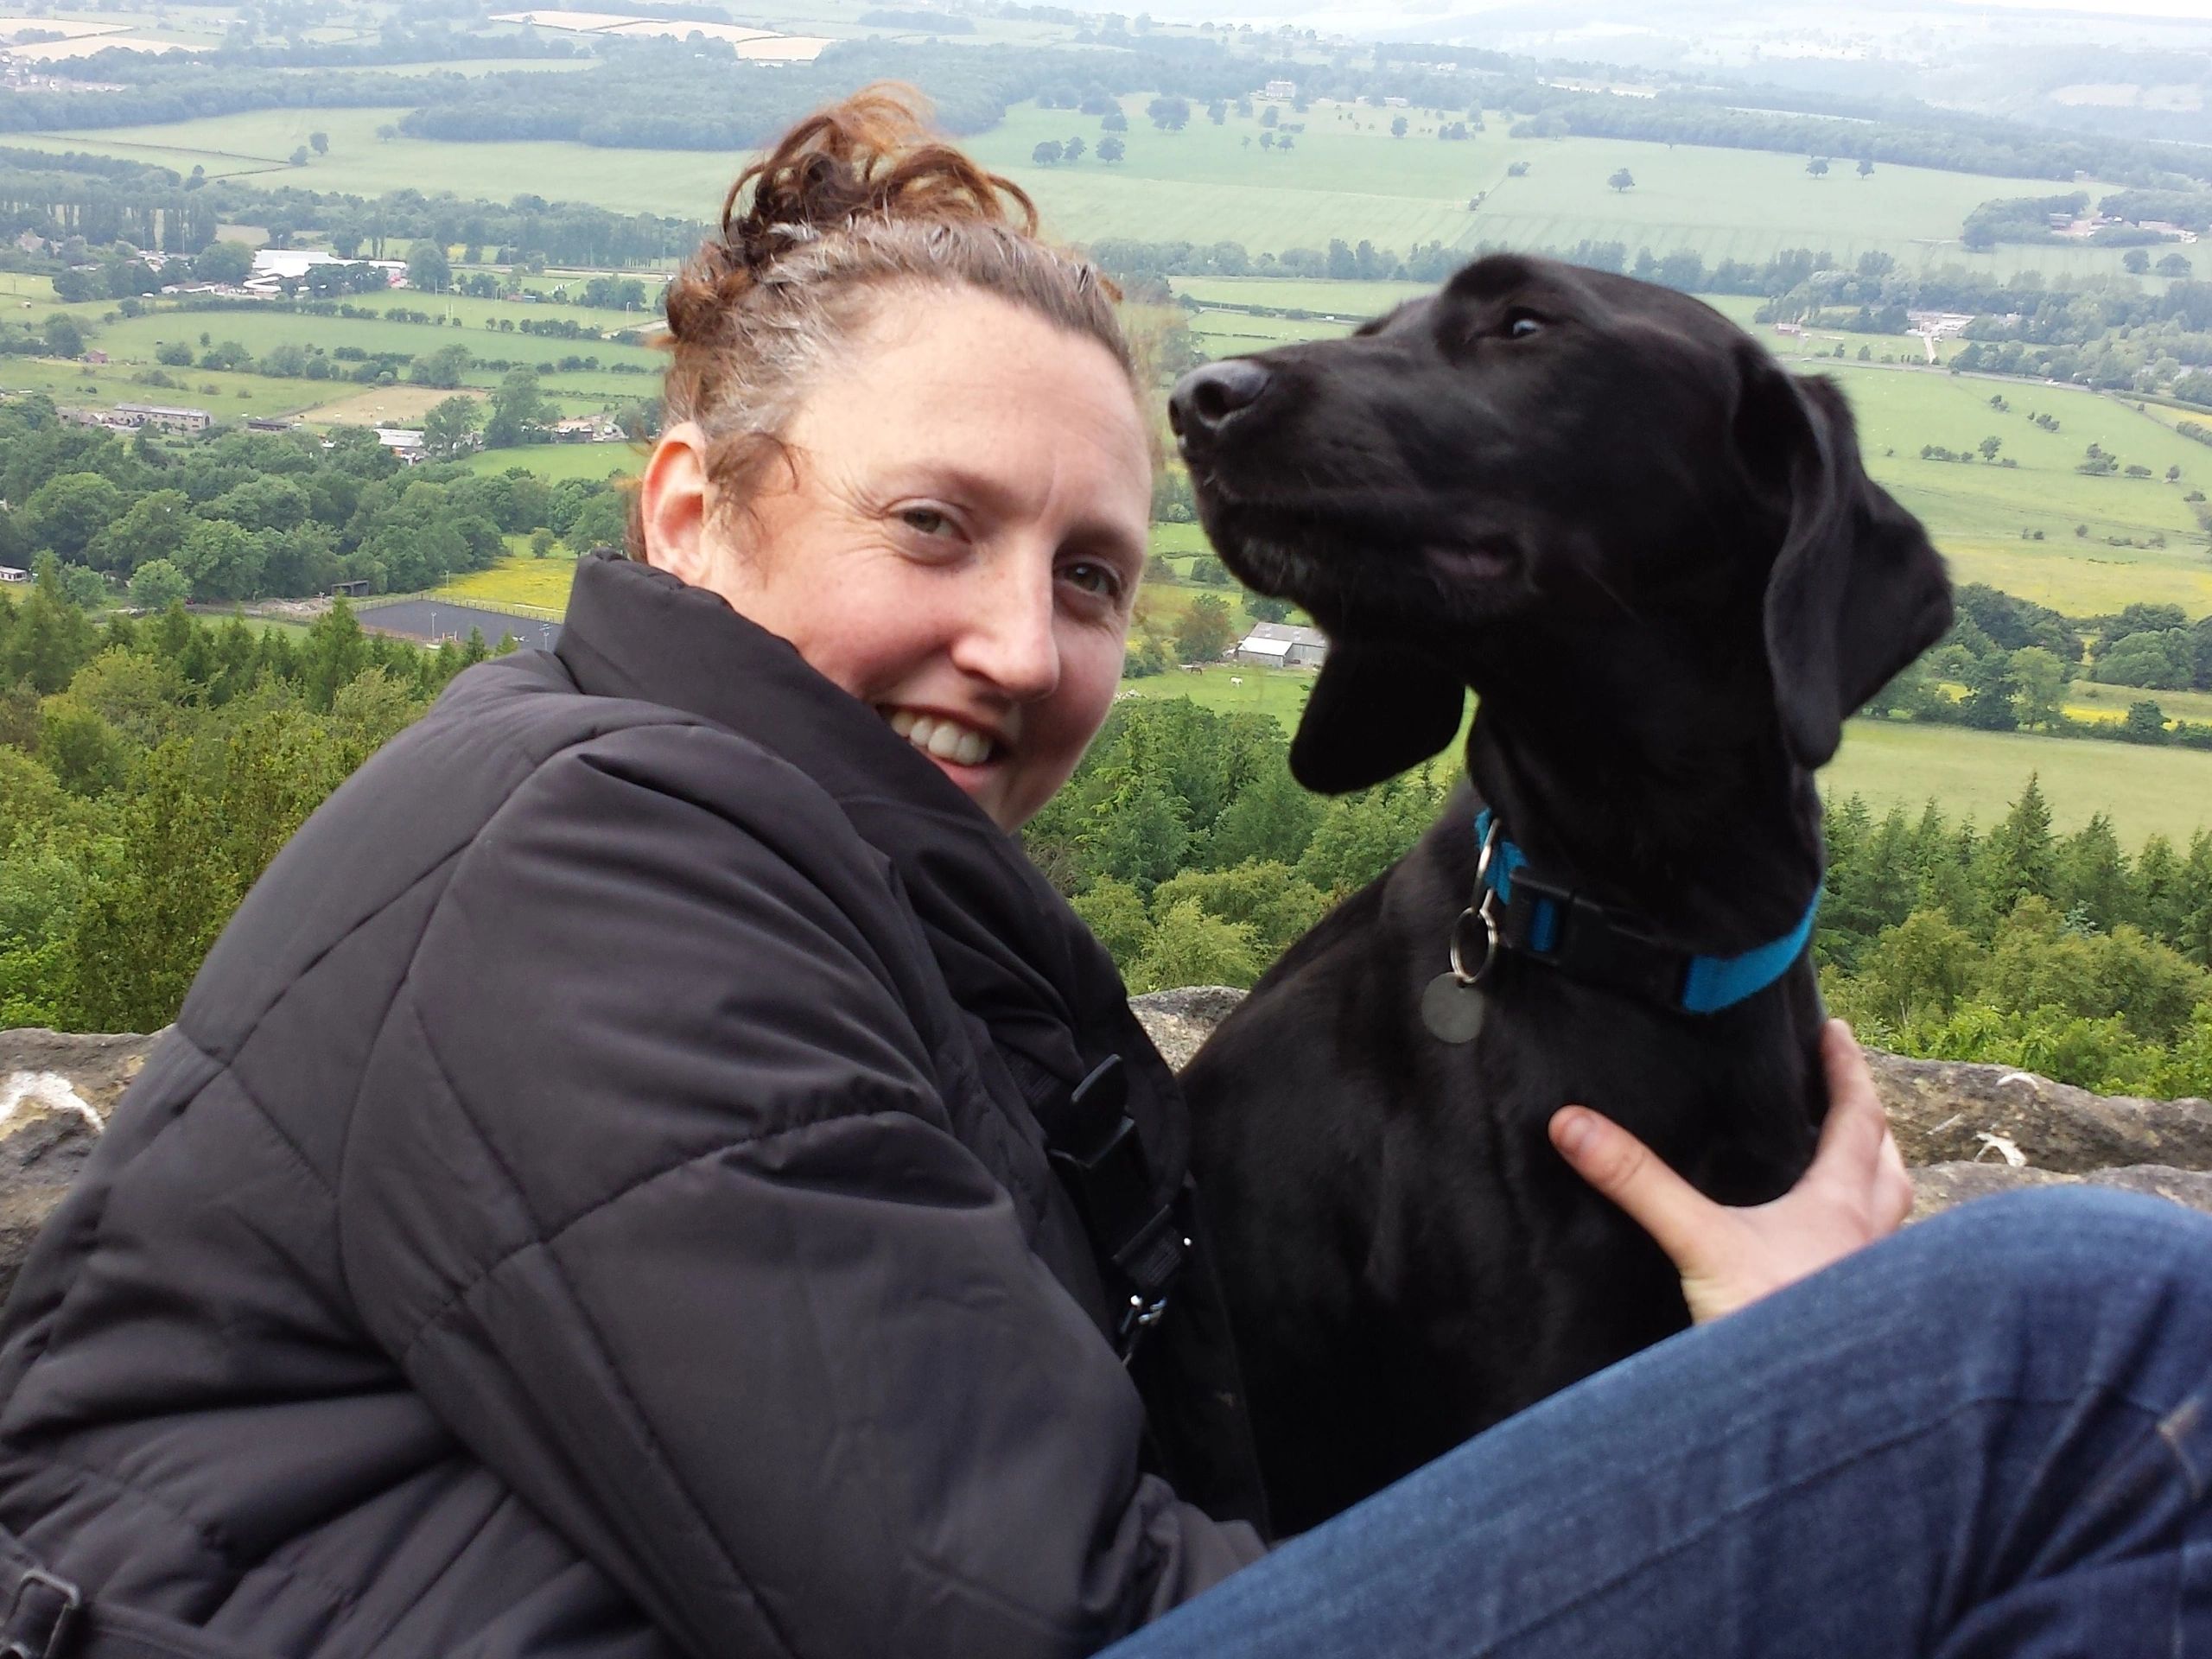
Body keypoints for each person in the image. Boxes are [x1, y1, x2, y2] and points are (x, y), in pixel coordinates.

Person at [0, 86, 2207, 1659]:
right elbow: (1025, 1621)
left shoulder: (883, 917)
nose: (1014, 646)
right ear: (685, 510)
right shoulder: (577, 858)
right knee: (2088, 1343)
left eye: (1087, 578)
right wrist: (1766, 1412)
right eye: (928, 526)